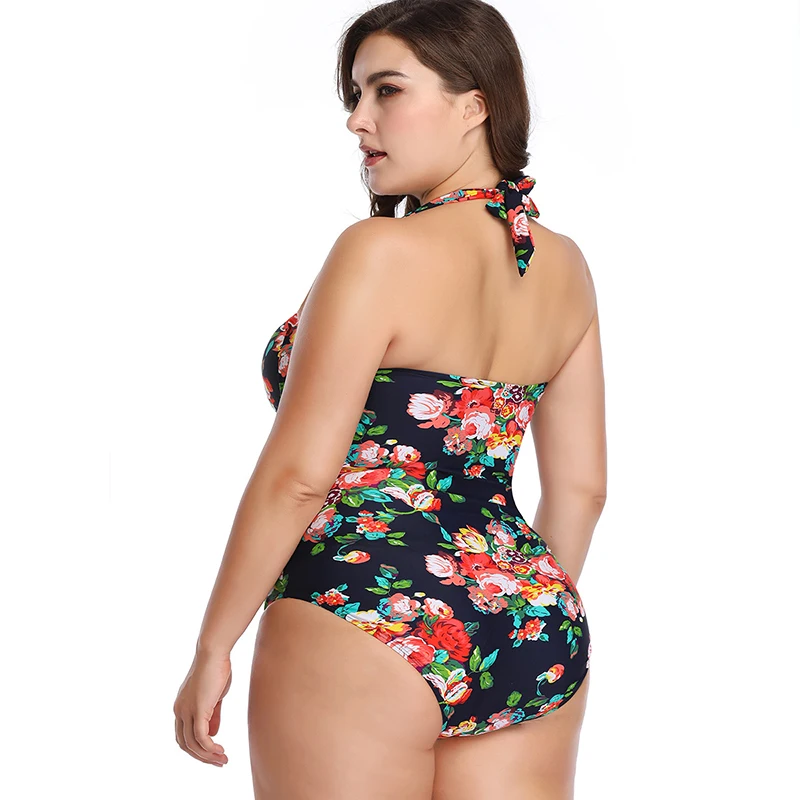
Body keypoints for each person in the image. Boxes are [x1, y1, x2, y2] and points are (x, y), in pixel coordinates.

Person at [173, 1, 606, 797]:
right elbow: (582, 490)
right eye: (356, 95)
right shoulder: (565, 265)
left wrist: (213, 645)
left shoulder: (378, 252)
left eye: (387, 90)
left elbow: (299, 477)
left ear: (475, 106)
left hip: (363, 608)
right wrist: (503, 614)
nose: (357, 120)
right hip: (531, 616)